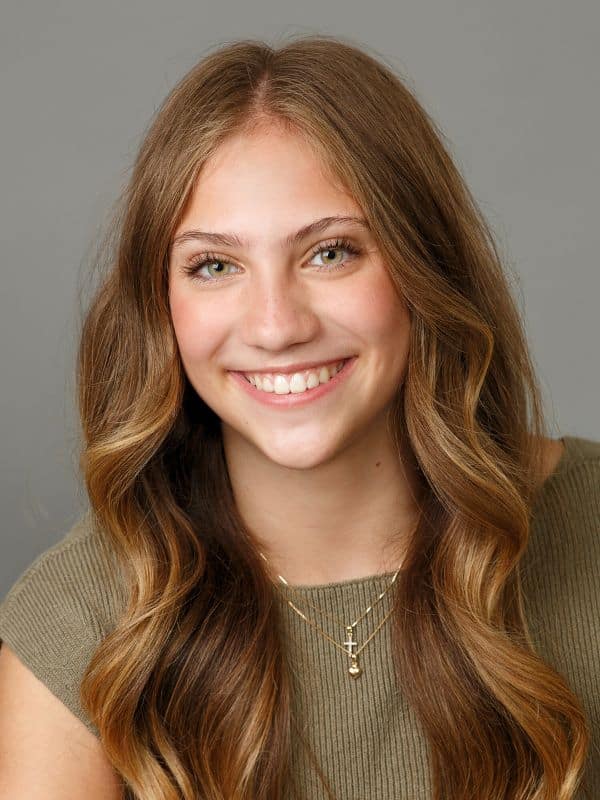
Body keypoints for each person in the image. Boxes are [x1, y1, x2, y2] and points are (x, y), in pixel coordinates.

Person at [0, 34, 598, 800]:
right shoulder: (75, 621)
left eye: (331, 252)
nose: (277, 326)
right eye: (215, 266)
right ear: (161, 307)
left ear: (423, 265)